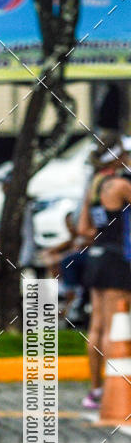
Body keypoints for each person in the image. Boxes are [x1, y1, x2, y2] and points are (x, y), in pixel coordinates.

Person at [77, 135, 131, 409]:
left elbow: (84, 229)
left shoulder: (94, 186)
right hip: (115, 260)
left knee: (96, 327)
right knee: (114, 328)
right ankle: (113, 389)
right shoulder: (121, 184)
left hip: (96, 257)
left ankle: (95, 390)